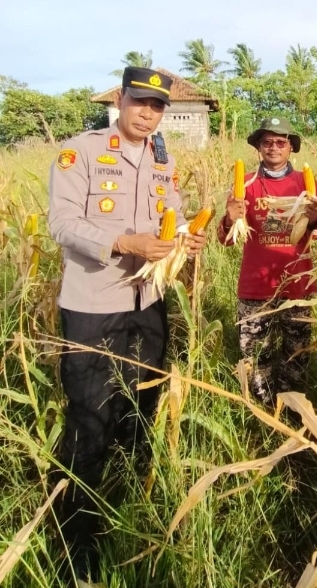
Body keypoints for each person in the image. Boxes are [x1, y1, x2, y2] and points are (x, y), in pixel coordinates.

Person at [48, 67, 207, 583]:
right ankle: (74, 544)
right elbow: (62, 223)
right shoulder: (81, 152)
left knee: (138, 414)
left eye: (157, 106)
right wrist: (121, 242)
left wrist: (187, 238)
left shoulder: (163, 159)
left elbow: (172, 217)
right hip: (94, 305)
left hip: (149, 303)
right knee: (89, 421)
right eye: (140, 101)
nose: (148, 113)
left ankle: (123, 516)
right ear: (120, 99)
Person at [218, 117, 317, 406]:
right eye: (267, 142)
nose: (274, 147)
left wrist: (314, 218)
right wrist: (230, 218)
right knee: (256, 355)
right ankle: (263, 409)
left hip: (297, 284)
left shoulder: (306, 182)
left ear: (291, 147)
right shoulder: (245, 184)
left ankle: (293, 405)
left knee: (297, 353)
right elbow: (227, 239)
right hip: (256, 287)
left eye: (281, 142)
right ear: (258, 147)